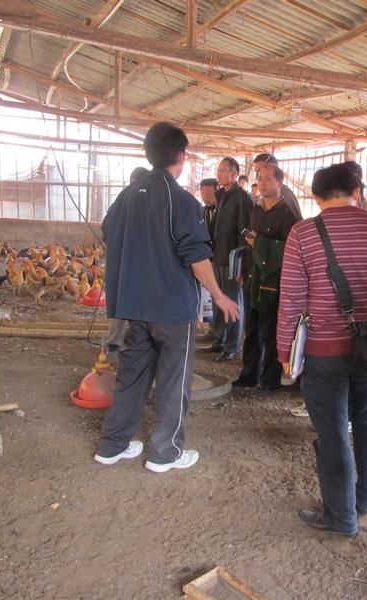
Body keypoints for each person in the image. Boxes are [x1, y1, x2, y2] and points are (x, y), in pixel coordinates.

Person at [277, 164, 367, 537]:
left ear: (316, 196)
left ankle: (340, 516)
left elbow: (291, 299)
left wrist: (285, 351)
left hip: (322, 350)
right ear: (356, 190)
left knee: (333, 429)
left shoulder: (302, 233)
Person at [95, 122, 239, 473]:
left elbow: (108, 234)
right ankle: (164, 453)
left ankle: (113, 445)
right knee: (173, 381)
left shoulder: (126, 197)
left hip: (134, 305)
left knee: (132, 376)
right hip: (173, 310)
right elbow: (197, 258)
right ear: (181, 156)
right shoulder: (182, 201)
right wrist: (219, 295)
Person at [235, 164, 301, 393]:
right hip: (253, 277)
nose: (262, 183)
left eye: (268, 179)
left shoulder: (288, 213)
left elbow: (292, 250)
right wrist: (242, 269)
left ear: (280, 182)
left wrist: (260, 243)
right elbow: (249, 244)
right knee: (251, 328)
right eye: (260, 178)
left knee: (271, 331)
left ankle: (269, 380)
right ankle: (249, 374)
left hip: (274, 282)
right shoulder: (256, 207)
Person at [208, 157, 253, 361]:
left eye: (223, 170)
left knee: (232, 302)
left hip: (232, 259)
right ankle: (219, 340)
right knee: (218, 299)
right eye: (218, 170)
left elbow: (245, 232)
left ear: (234, 174)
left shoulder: (241, 198)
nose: (219, 174)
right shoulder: (222, 196)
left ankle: (232, 346)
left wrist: (240, 263)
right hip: (217, 256)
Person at [105, 166, 150, 353]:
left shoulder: (120, 198)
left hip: (118, 259)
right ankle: (137, 341)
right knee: (138, 299)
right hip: (139, 260)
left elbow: (105, 228)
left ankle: (113, 342)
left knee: (118, 297)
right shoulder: (147, 197)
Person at [253, 153, 302, 219]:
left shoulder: (284, 193)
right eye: (256, 171)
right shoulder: (263, 199)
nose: (258, 174)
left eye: (260, 170)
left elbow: (296, 221)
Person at [199, 178, 218, 243]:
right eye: (203, 193)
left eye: (209, 193)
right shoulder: (199, 211)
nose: (206, 197)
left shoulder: (223, 210)